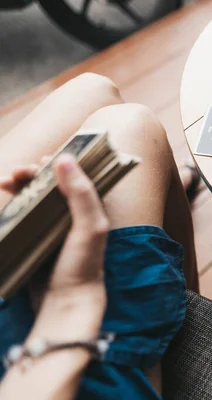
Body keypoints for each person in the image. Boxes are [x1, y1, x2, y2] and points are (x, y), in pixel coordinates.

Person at [0, 73, 200, 399]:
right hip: (56, 360)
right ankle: (188, 312)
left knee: (94, 89)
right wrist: (71, 298)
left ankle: (162, 186)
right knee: (134, 126)